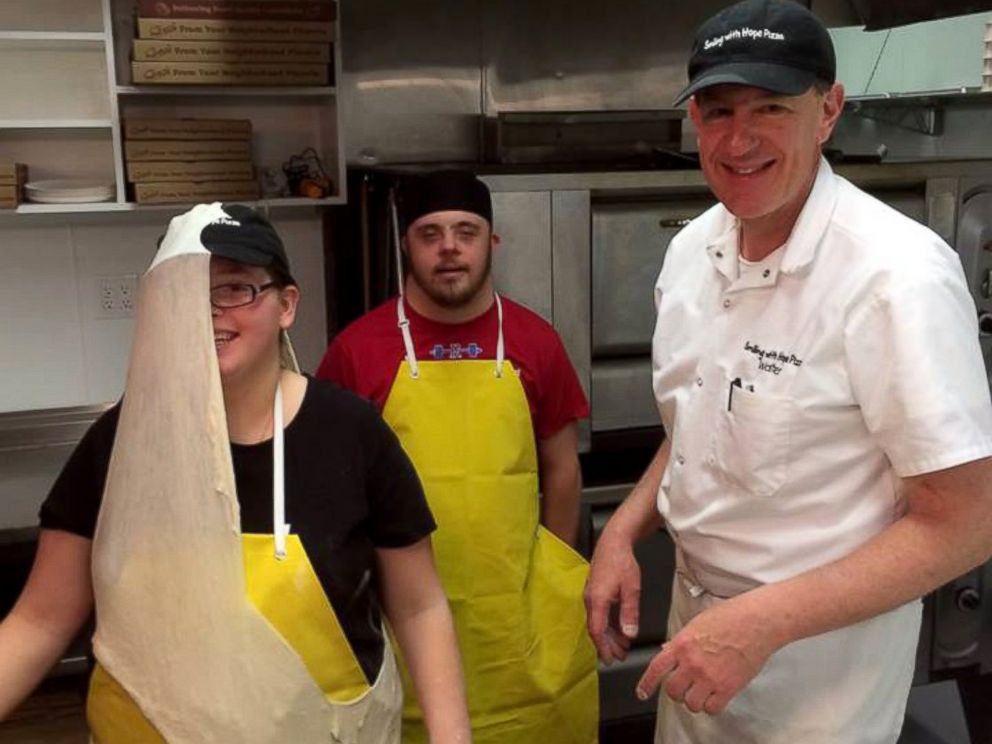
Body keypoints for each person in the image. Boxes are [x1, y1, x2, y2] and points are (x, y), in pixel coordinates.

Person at [584, 1, 992, 742]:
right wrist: (624, 529)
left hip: (821, 665)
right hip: (696, 627)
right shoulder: (693, 251)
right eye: (717, 111)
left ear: (828, 110)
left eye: (771, 107)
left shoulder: (894, 277)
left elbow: (968, 522)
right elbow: (705, 416)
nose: (739, 140)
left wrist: (763, 622)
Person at [0, 203, 471, 744]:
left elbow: (418, 606)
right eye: (183, 296)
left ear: (286, 305)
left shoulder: (350, 433)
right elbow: (40, 620)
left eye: (235, 288)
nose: (209, 312)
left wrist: (451, 736)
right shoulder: (119, 442)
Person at [317, 170, 599, 744]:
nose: (449, 248)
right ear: (406, 245)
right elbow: (331, 489)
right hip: (398, 614)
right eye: (430, 233)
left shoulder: (535, 341)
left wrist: (554, 577)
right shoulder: (357, 350)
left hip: (516, 614)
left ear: (491, 242)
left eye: (465, 232)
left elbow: (563, 468)